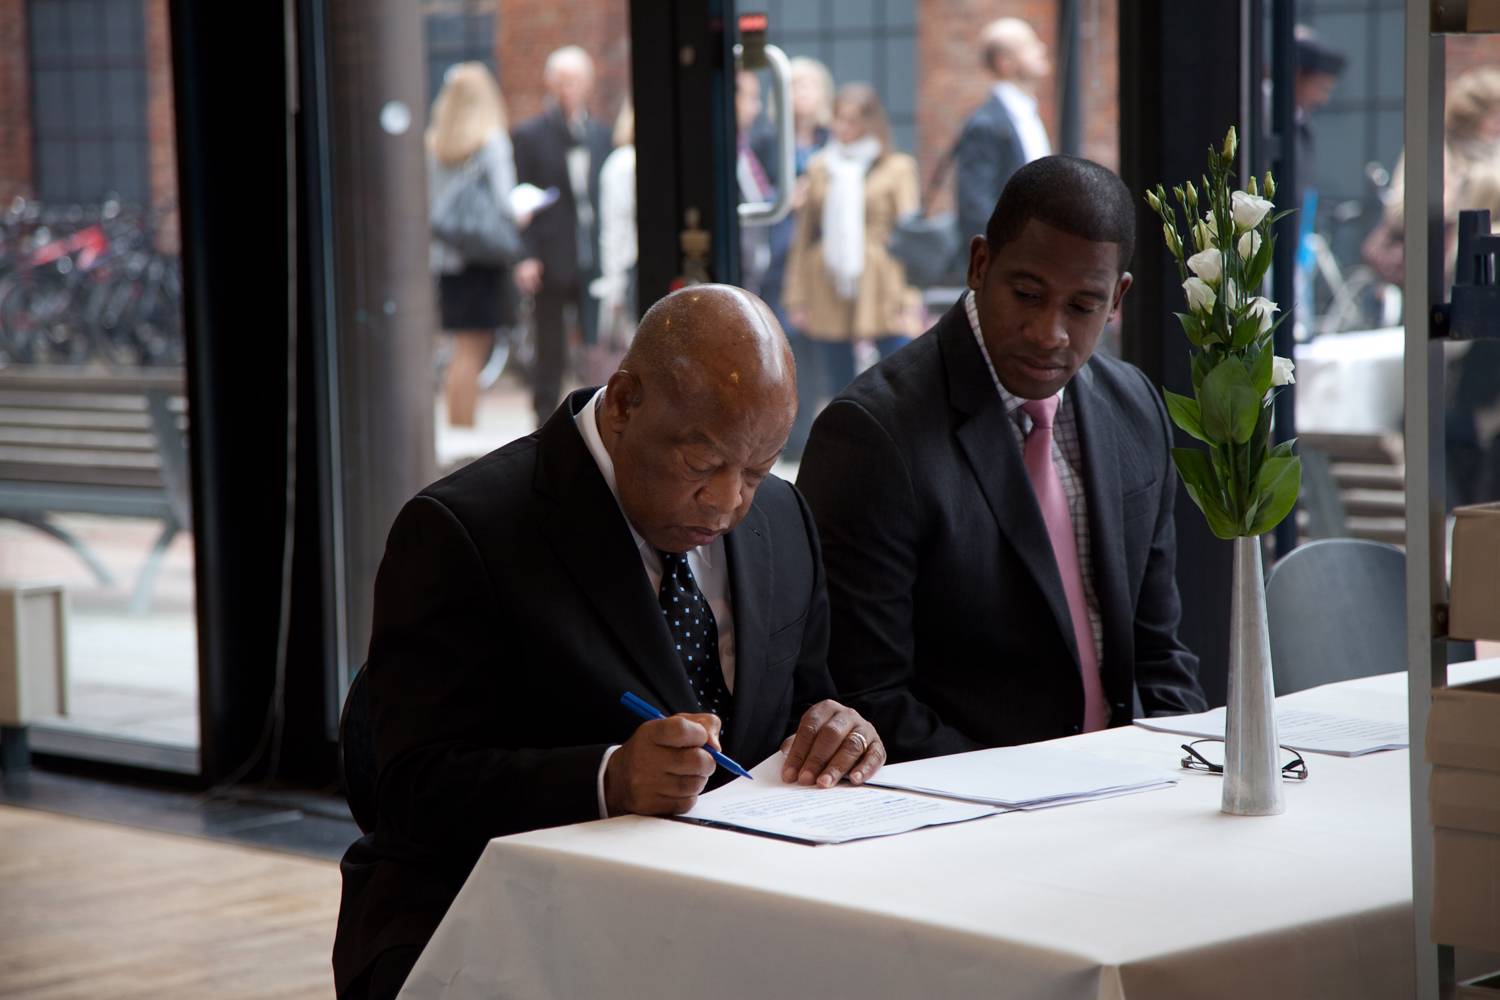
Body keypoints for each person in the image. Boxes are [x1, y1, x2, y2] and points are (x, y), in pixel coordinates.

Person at [333, 284, 887, 1000]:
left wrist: (837, 731)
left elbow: (802, 704)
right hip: (501, 916)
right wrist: (606, 780)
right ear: (624, 403)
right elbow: (409, 793)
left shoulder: (781, 517)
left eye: (755, 470)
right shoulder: (463, 530)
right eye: (700, 465)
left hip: (727, 909)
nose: (727, 504)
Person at [796, 156, 1206, 763]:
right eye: (1027, 294)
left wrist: (1177, 766)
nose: (1049, 333)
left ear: (1117, 298)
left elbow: (1160, 654)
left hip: (1126, 794)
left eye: (1082, 306)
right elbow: (869, 698)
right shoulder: (873, 435)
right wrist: (1029, 795)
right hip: (966, 809)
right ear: (980, 264)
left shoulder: (1136, 409)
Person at [782, 84, 921, 430]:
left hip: (881, 276)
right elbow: (803, 237)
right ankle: (850, 436)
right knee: (838, 375)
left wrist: (909, 296)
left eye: (852, 120)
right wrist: (796, 295)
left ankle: (897, 433)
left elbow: (910, 236)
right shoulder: (820, 167)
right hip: (827, 274)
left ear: (871, 123)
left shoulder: (898, 167)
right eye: (838, 119)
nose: (842, 128)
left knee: (897, 365)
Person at [511, 46, 613, 425]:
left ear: (588, 84)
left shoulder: (602, 135)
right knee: (549, 347)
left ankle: (599, 420)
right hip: (551, 255)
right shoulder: (530, 135)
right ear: (550, 83)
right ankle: (544, 424)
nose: (568, 88)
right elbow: (520, 202)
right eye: (561, 80)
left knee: (596, 344)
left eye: (575, 80)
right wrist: (526, 255)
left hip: (594, 255)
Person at [427, 63, 523, 428]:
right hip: (481, 258)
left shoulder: (435, 142)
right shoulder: (491, 141)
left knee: (459, 348)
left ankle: (457, 424)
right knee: (474, 347)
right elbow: (504, 202)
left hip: (447, 260)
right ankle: (465, 428)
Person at [750, 56, 833, 458]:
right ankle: (783, 436)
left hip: (819, 254)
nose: (801, 94)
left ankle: (807, 436)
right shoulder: (766, 138)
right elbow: (755, 194)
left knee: (817, 345)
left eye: (808, 85)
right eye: (794, 85)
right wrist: (786, 199)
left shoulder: (829, 138)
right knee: (783, 342)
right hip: (778, 254)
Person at [953, 17, 1052, 251]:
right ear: (1005, 62)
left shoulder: (1027, 115)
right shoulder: (986, 124)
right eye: (1029, 45)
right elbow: (975, 206)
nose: (1041, 49)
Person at [585, 98, 637, 386]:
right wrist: (614, 287)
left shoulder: (620, 163)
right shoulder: (622, 164)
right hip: (632, 269)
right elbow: (614, 229)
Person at [736, 70, 775, 297]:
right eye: (751, 98)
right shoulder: (726, 152)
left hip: (751, 277)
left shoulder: (744, 150)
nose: (757, 108)